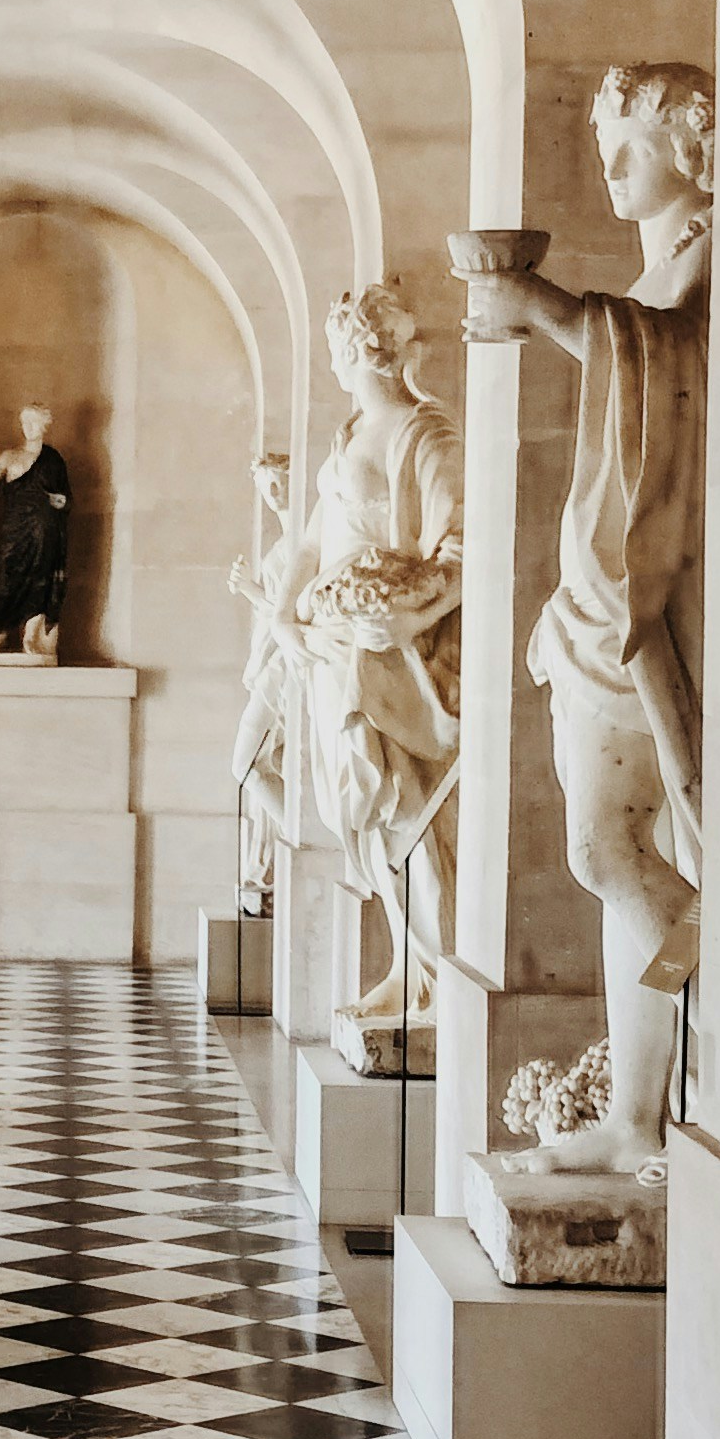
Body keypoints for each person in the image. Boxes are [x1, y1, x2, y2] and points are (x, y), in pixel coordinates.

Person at [463, 63, 711, 1176]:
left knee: (617, 849)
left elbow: (684, 373)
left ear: (690, 147)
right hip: (609, 601)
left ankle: (647, 1109)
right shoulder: (673, 261)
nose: (609, 166)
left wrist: (558, 312)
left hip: (658, 601)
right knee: (608, 849)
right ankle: (640, 1106)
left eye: (629, 144)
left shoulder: (716, 252)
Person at [297, 284, 460, 1028]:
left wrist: (407, 620)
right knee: (364, 822)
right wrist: (297, 613)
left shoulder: (425, 434)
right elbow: (318, 542)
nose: (335, 358)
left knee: (410, 819)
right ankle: (403, 966)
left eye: (339, 344)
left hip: (401, 657)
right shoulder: (351, 433)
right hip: (340, 651)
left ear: (358, 350)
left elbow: (463, 545)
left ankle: (432, 983)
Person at [226, 448, 300, 909]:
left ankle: (303, 835)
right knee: (259, 769)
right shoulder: (285, 545)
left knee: (247, 765)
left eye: (277, 481)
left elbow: (298, 614)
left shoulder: (303, 542)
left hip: (284, 671)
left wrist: (254, 592)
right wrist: (252, 593)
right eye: (265, 485)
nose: (271, 493)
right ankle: (267, 869)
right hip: (271, 667)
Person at [0, 405, 71, 662]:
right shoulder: (8, 457)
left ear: (44, 425)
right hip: (15, 530)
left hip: (45, 531)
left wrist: (55, 501)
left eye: (32, 422)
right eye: (24, 422)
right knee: (9, 579)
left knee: (41, 578)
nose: (27, 427)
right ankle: (1, 633)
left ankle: (32, 634)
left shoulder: (53, 460)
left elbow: (65, 500)